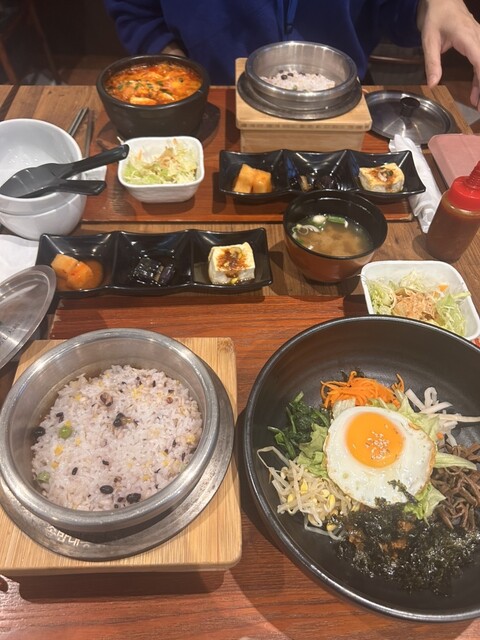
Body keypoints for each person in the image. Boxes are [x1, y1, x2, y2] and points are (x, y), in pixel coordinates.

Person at [103, 0, 480, 108]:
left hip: (341, 100)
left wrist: (436, 3)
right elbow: (135, 11)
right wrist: (176, 73)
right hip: (212, 99)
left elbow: (394, 11)